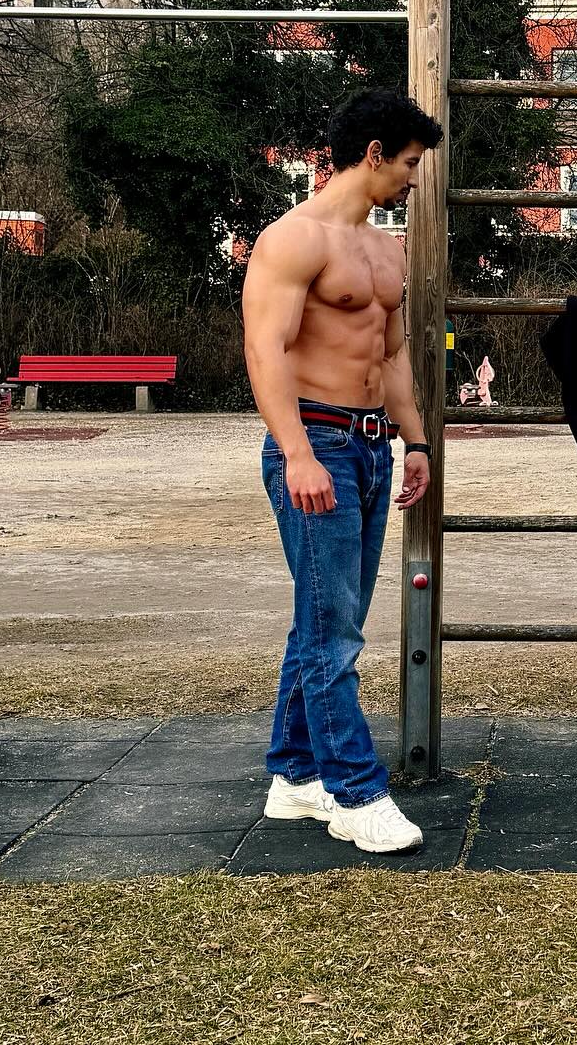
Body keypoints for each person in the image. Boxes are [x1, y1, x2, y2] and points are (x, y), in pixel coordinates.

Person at [242, 87, 443, 854]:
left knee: (325, 621)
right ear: (372, 155)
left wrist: (415, 442)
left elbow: (391, 355)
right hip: (315, 442)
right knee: (335, 633)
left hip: (368, 444)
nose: (414, 178)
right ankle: (356, 794)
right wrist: (295, 452)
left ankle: (294, 777)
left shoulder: (384, 248)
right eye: (410, 163)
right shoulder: (293, 239)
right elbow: (267, 352)